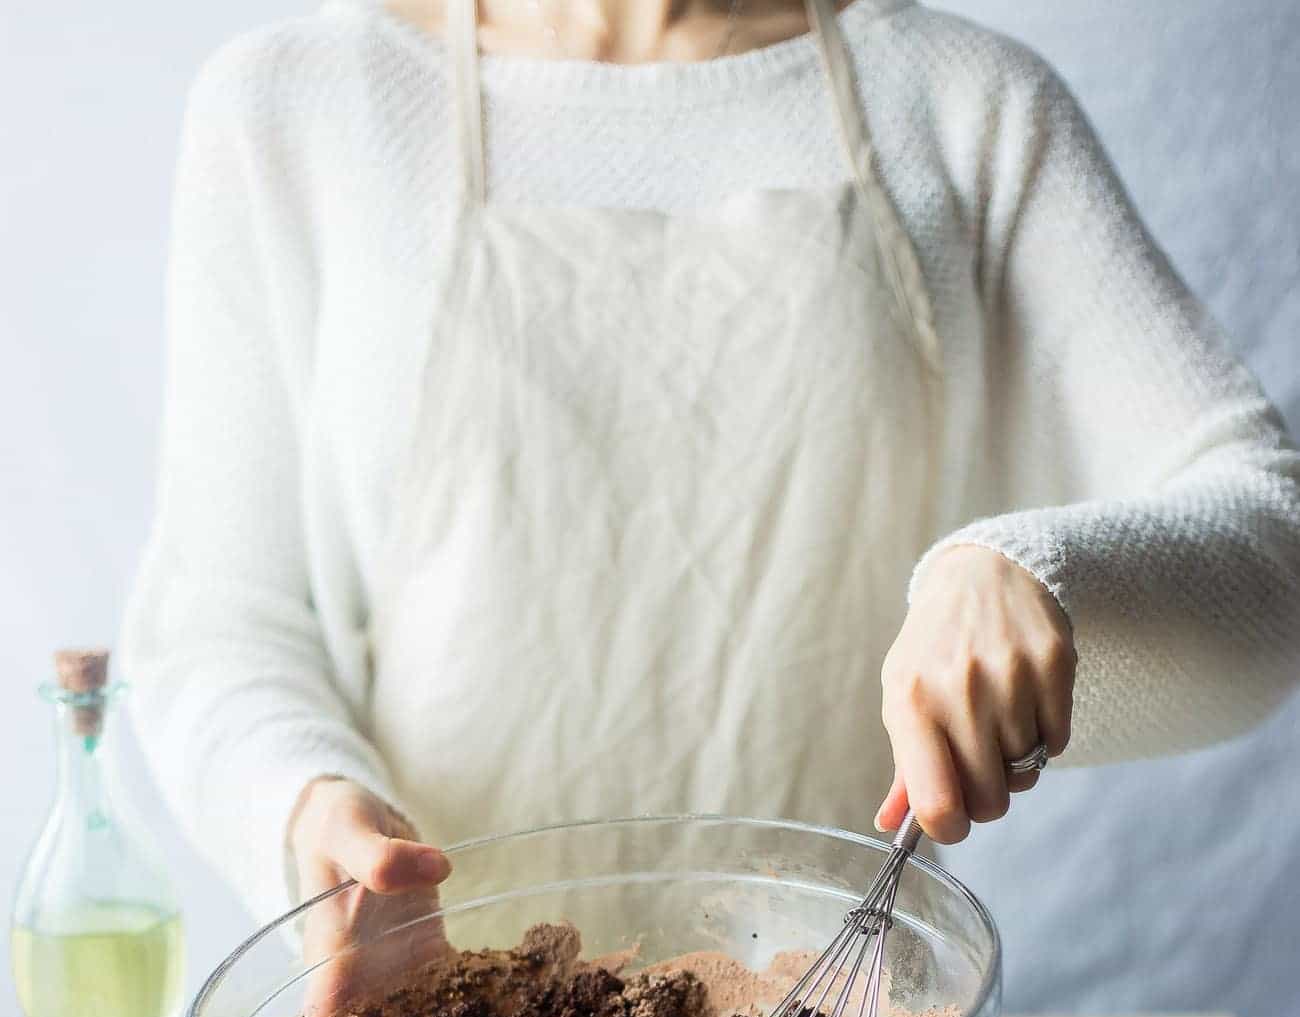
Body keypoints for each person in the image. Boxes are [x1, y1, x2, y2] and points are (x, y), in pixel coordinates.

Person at [125, 0, 1300, 930]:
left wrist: (1028, 570)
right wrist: (309, 805)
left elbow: (1270, 542)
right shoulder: (296, 106)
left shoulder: (954, 102)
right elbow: (221, 618)